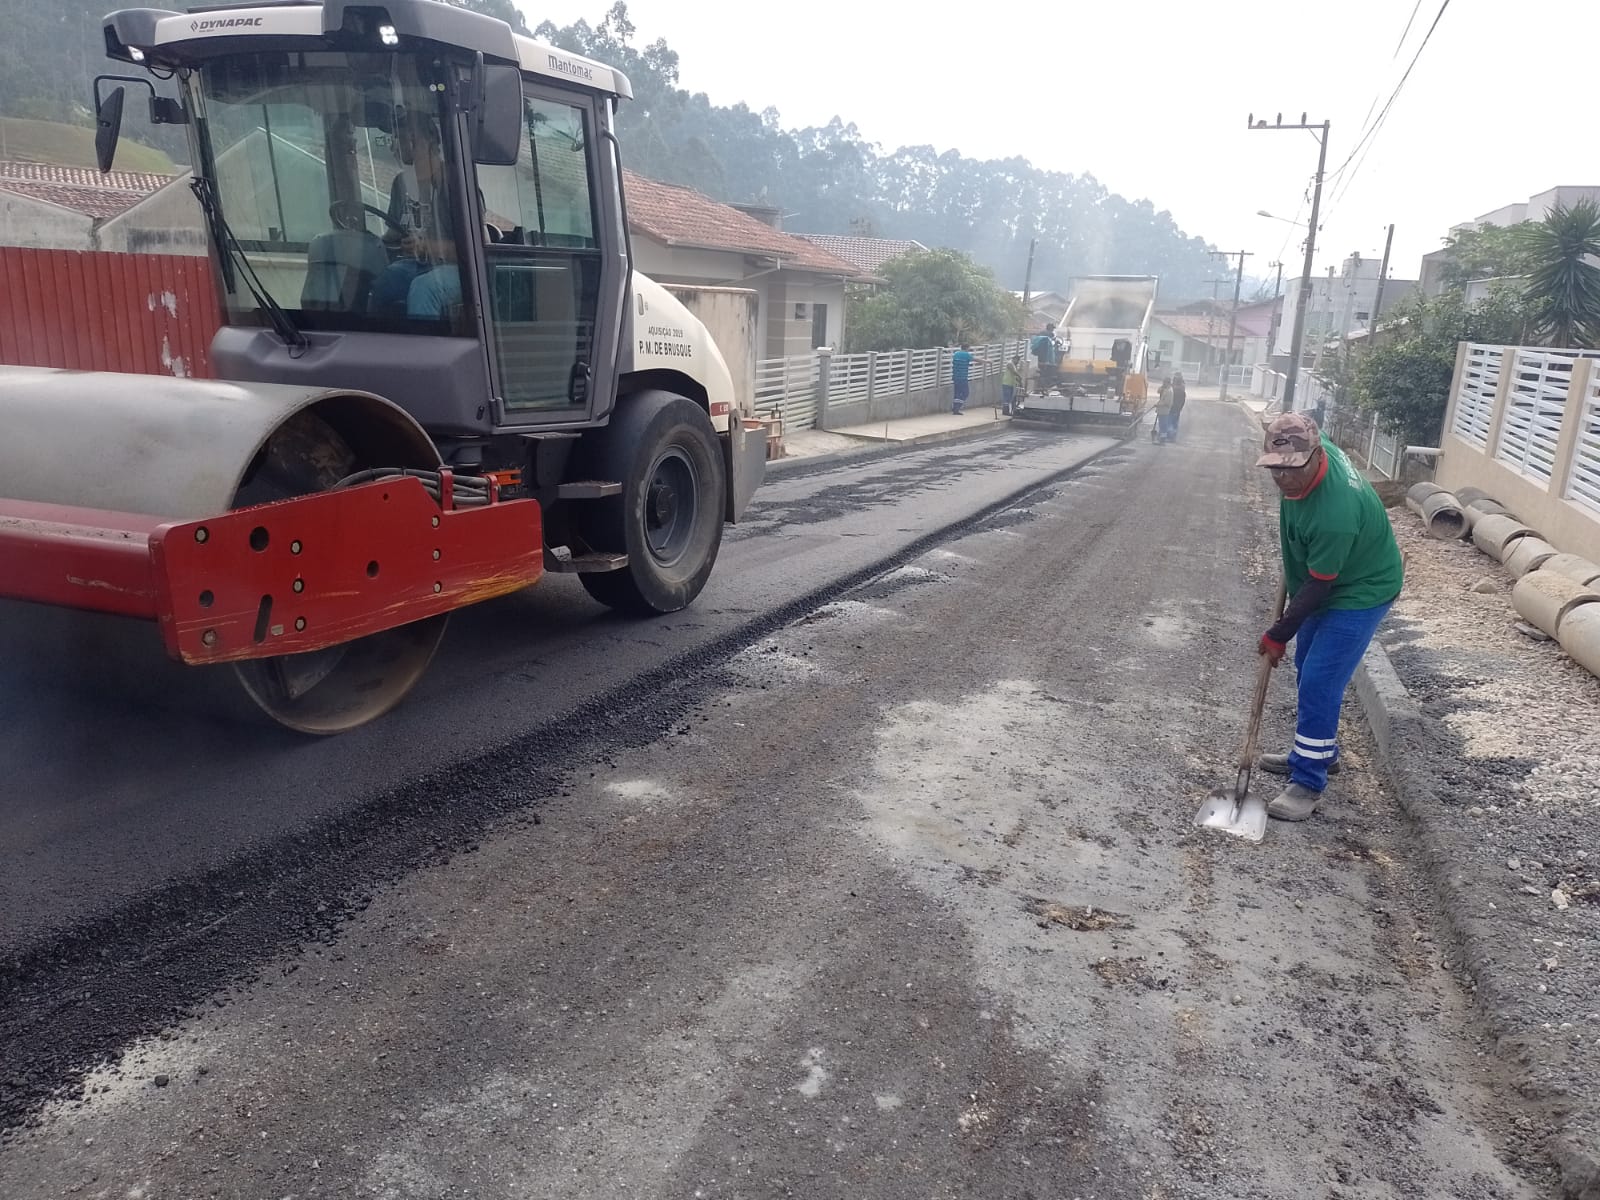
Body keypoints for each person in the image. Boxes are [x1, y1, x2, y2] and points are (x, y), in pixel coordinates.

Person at [1255, 412, 1404, 821]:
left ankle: (1308, 781)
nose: (1283, 479)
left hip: (1361, 588)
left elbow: (1319, 586)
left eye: (1292, 470)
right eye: (1275, 470)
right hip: (1329, 579)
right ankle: (1321, 751)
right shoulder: (1313, 453)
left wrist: (1278, 633)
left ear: (1317, 455)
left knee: (1321, 678)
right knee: (1308, 667)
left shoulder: (1335, 511)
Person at [1030, 322, 1060, 393]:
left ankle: (1038, 389)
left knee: (1042, 373)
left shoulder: (1040, 334)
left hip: (1040, 358)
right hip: (1048, 360)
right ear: (1050, 328)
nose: (1053, 330)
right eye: (1052, 328)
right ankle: (1046, 387)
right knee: (1049, 374)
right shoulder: (1050, 335)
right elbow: (1054, 342)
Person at [951, 344, 974, 414]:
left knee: (957, 393)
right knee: (965, 393)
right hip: (963, 377)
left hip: (955, 377)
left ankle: (955, 409)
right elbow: (976, 360)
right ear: (966, 348)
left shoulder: (956, 354)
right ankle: (957, 407)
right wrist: (987, 361)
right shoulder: (966, 354)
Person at [1167, 371, 1187, 439]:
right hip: (1177, 409)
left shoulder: (1172, 389)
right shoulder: (1182, 390)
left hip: (1171, 408)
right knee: (1175, 423)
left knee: (1169, 422)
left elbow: (1169, 398)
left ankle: (1169, 436)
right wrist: (1180, 408)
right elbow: (1183, 401)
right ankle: (1173, 437)